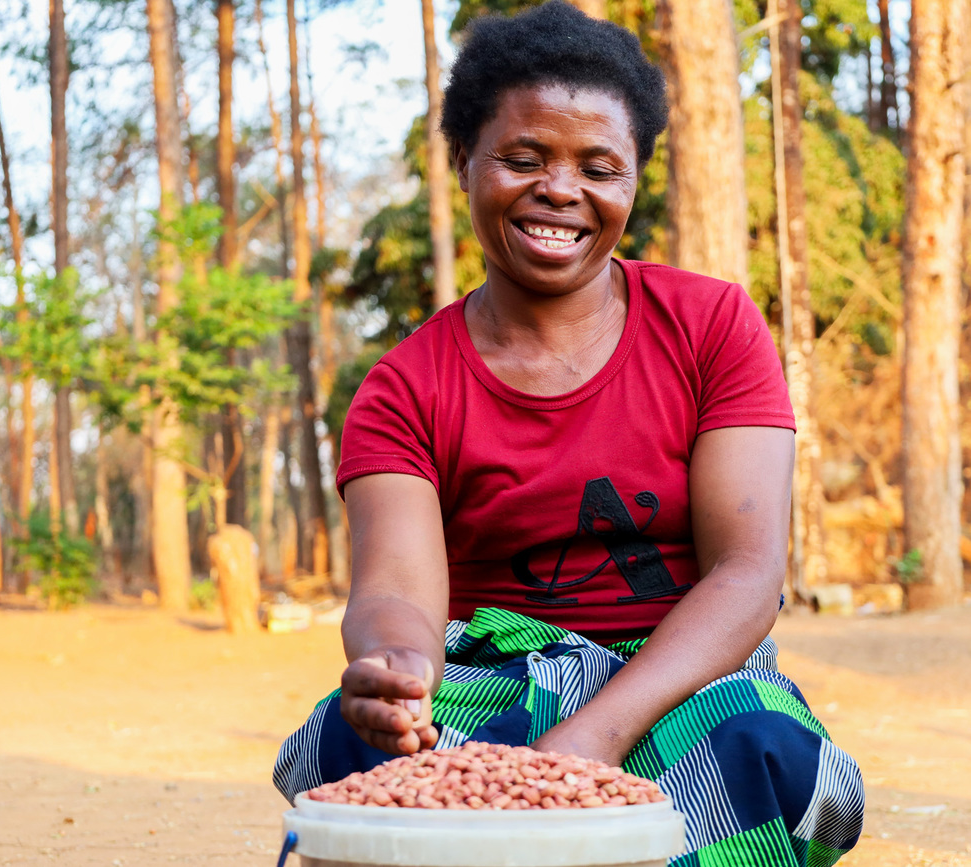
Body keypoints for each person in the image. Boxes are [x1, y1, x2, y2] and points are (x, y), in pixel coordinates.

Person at [274, 3, 863, 864]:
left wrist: (598, 731)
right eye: (524, 158)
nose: (561, 190)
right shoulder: (403, 389)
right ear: (464, 160)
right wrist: (395, 672)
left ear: (633, 183)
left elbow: (746, 574)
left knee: (753, 744)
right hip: (486, 671)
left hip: (679, 668)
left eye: (600, 167)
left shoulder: (710, 326)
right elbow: (397, 591)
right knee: (356, 749)